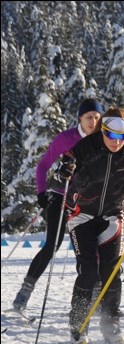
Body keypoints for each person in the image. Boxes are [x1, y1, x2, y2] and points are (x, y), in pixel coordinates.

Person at [63, 107, 124, 344]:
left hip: (111, 215)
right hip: (82, 215)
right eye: (111, 135)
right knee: (88, 270)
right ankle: (78, 322)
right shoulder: (87, 147)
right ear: (104, 130)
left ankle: (110, 321)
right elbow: (68, 160)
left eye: (123, 136)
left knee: (111, 272)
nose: (117, 142)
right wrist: (66, 168)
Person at [12, 98, 103, 313]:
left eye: (97, 118)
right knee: (52, 245)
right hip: (60, 196)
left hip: (85, 200)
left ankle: (97, 297)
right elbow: (43, 166)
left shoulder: (102, 140)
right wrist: (42, 193)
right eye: (89, 117)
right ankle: (24, 293)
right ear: (80, 118)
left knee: (91, 249)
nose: (93, 122)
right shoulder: (66, 138)